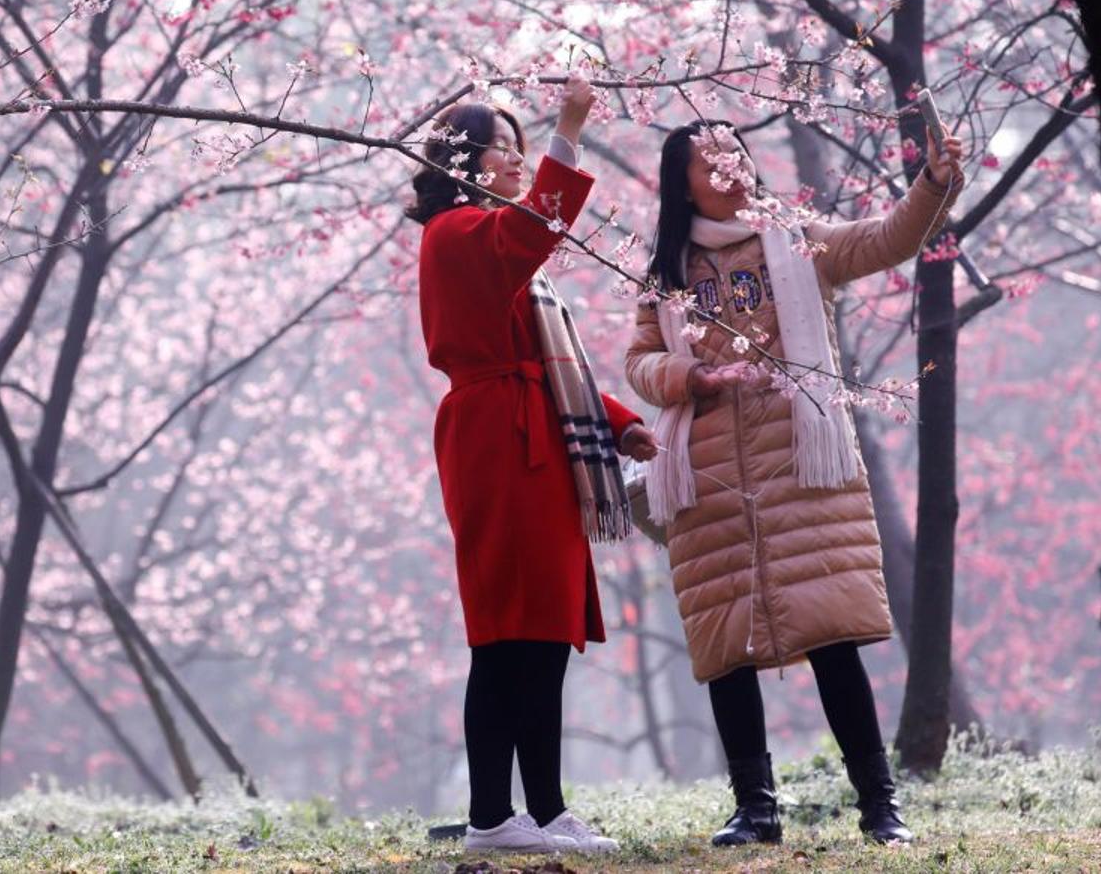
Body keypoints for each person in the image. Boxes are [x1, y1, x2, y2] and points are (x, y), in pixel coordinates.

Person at [626, 117, 965, 846]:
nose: (729, 166)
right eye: (710, 160)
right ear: (681, 185)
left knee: (833, 637)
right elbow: (639, 363)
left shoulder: (796, 239)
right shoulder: (665, 275)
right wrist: (690, 375)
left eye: (735, 152)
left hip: (801, 467)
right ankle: (755, 810)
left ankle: (880, 805)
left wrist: (934, 184)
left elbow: (886, 239)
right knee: (726, 648)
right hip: (708, 478)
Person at [409, 72, 659, 854]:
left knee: (544, 632)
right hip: (496, 440)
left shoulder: (493, 242)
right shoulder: (455, 232)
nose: (517, 160)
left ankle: (546, 813)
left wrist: (617, 424)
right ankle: (491, 816)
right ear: (460, 161)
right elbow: (533, 231)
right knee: (505, 633)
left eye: (522, 148)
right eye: (502, 148)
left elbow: (551, 364)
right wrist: (568, 133)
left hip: (536, 440)